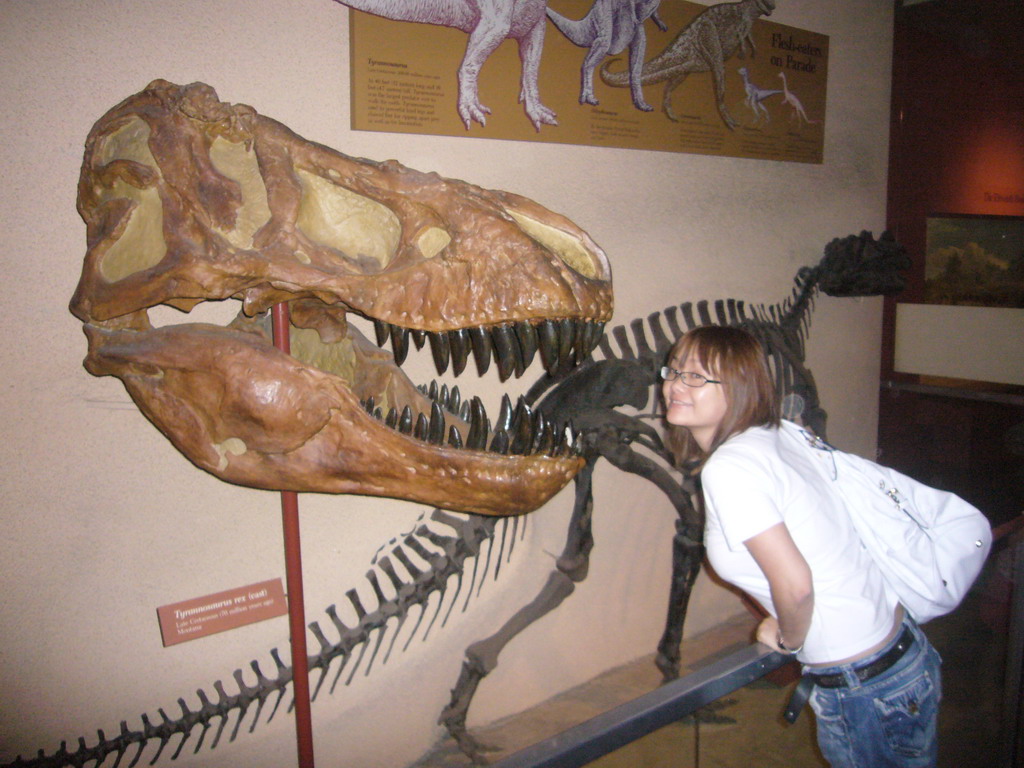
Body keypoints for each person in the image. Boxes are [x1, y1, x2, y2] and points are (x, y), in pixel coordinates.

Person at [661, 324, 942, 768]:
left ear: (737, 387)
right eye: (673, 371)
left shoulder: (730, 468)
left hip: (863, 683)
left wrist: (789, 638)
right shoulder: (778, 435)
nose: (675, 385)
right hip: (900, 657)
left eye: (696, 376)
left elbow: (797, 586)